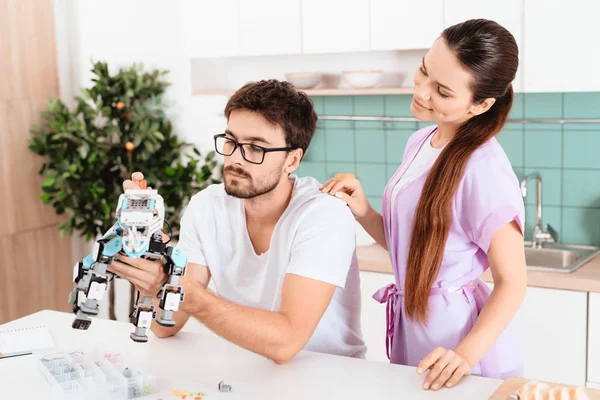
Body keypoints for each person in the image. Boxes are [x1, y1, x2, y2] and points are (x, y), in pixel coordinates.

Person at [321, 19, 527, 390]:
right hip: (415, 334)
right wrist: (365, 212)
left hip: (461, 350)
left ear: (481, 103)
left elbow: (512, 282)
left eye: (442, 91)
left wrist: (464, 356)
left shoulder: (484, 170)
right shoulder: (422, 141)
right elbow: (412, 248)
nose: (422, 91)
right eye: (424, 70)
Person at [108, 79, 366, 363]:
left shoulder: (323, 215)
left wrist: (183, 290)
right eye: (231, 142)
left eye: (256, 148)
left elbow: (286, 342)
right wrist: (152, 251)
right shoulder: (207, 206)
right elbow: (164, 325)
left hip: (331, 378)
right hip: (249, 369)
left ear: (292, 160)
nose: (235, 159)